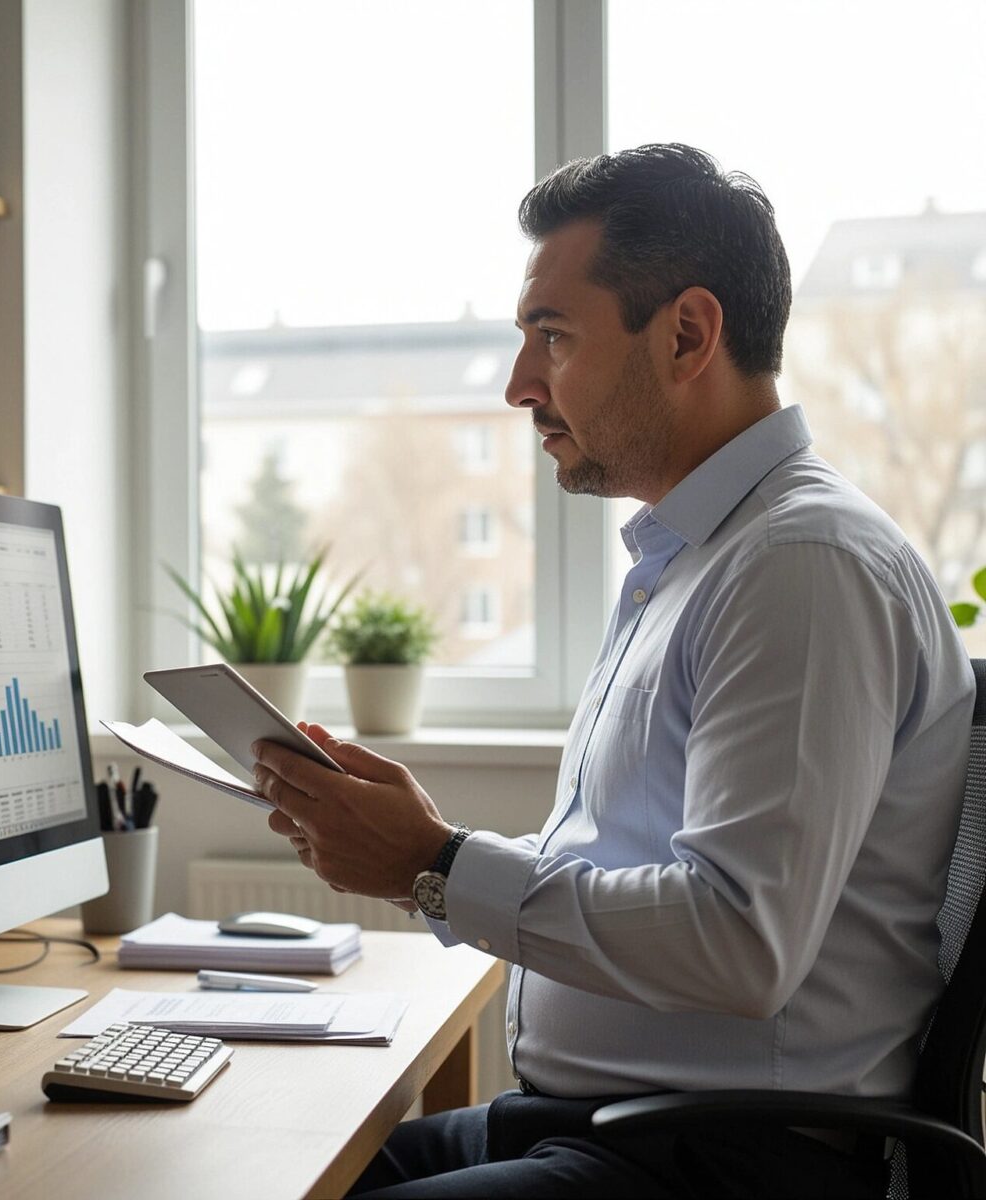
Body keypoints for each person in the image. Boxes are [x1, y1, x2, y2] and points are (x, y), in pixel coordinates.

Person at [251, 143, 976, 1197]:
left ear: (687, 333)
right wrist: (423, 854)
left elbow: (738, 940)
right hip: (604, 1126)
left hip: (725, 1162)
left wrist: (441, 866)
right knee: (267, 1168)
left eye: (553, 337)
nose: (517, 385)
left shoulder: (799, 566)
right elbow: (628, 861)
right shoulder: (699, 557)